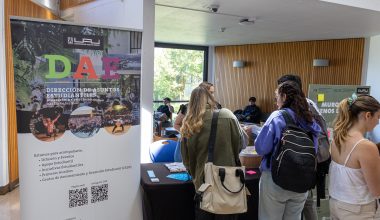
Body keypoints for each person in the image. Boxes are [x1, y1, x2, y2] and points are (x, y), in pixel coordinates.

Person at [255, 81, 321, 220]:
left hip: (275, 179)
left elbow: (261, 148)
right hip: (302, 181)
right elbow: (314, 150)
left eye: (276, 97)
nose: (275, 101)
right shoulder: (310, 120)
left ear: (284, 96)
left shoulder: (277, 117)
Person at [180, 86, 247, 220]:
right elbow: (241, 145)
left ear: (191, 102)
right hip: (228, 181)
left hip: (203, 183)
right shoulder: (228, 115)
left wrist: (195, 174)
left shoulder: (189, 123)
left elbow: (186, 160)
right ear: (211, 99)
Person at [329, 94, 380, 220]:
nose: (378, 122)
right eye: (378, 117)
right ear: (368, 115)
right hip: (358, 210)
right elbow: (377, 191)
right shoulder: (366, 146)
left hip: (336, 203)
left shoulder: (337, 138)